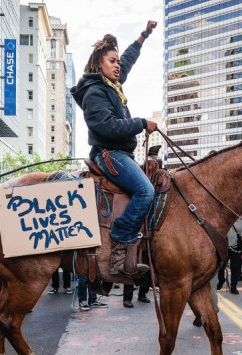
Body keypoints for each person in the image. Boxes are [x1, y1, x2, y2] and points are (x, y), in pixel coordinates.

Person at [70, 21, 158, 275]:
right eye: (112, 61)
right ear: (100, 65)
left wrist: (144, 35)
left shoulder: (112, 86)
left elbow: (128, 60)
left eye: (117, 61)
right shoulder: (94, 91)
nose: (118, 64)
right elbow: (107, 127)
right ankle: (120, 242)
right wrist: (141, 123)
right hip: (110, 154)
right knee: (145, 191)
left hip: (122, 153)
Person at [217, 217, 242, 294]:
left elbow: (241, 234)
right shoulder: (225, 217)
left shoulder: (239, 219)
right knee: (221, 266)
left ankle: (233, 286)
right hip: (225, 246)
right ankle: (221, 280)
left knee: (235, 267)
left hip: (236, 247)